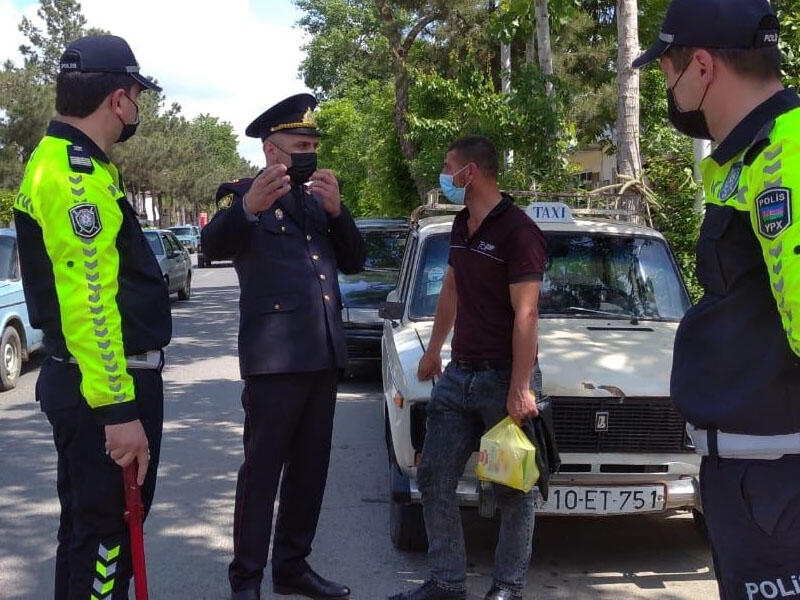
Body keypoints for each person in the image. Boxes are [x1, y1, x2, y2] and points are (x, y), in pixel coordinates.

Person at [633, 0, 800, 597]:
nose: (669, 90)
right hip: (752, 479)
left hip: (779, 482)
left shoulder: (789, 155)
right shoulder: (750, 156)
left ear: (701, 67)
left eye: (667, 71)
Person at [13, 35, 170, 599]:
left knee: (85, 534)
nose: (138, 108)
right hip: (103, 386)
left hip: (89, 382)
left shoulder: (68, 162)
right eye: (136, 95)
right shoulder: (75, 175)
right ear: (118, 99)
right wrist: (120, 410)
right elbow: (91, 305)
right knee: (108, 542)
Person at [201, 93, 365, 600]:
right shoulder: (242, 196)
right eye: (300, 143)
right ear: (273, 151)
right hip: (274, 361)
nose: (310, 152)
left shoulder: (320, 202)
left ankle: (292, 566)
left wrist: (339, 215)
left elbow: (354, 261)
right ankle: (246, 579)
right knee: (262, 474)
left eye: (314, 143)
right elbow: (212, 247)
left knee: (310, 472)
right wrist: (249, 207)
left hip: (322, 354)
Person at [389, 135, 545, 600]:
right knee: (434, 475)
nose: (445, 175)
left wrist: (520, 386)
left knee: (513, 490)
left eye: (447, 166)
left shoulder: (519, 232)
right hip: (460, 374)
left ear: (470, 173)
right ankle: (446, 582)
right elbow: (452, 289)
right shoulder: (460, 225)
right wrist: (435, 349)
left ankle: (508, 586)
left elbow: (527, 314)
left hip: (503, 378)